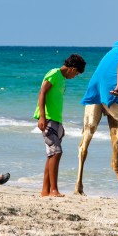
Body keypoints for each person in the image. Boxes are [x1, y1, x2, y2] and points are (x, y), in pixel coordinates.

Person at [34, 54, 86, 197]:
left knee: (52, 155)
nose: (74, 77)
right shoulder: (54, 74)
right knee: (57, 152)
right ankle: (53, 190)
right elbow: (42, 93)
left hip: (56, 120)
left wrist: (60, 124)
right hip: (48, 119)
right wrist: (42, 117)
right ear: (72, 69)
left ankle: (45, 190)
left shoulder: (62, 79)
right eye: (76, 74)